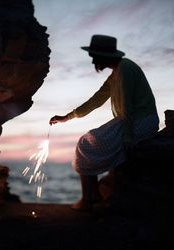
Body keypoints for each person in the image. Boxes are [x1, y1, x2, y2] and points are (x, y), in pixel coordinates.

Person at [49, 35, 159, 211]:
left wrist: (129, 137)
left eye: (94, 55)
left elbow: (128, 104)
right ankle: (94, 196)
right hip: (129, 119)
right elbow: (96, 100)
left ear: (103, 55)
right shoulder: (115, 73)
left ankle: (88, 200)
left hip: (141, 120)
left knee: (86, 143)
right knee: (87, 142)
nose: (92, 59)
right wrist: (67, 117)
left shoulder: (125, 69)